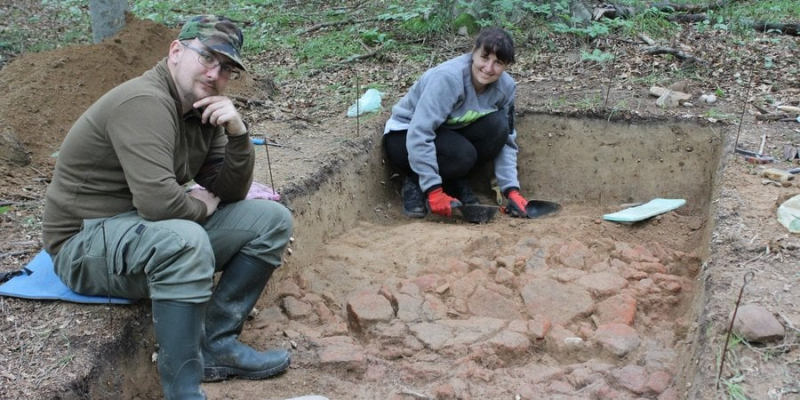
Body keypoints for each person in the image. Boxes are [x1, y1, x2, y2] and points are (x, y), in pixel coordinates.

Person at [42, 15, 292, 400]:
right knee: (186, 238)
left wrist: (238, 134)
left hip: (140, 231)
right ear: (176, 51)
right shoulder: (144, 102)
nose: (214, 73)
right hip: (84, 244)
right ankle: (183, 392)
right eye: (207, 57)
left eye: (226, 67)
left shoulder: (200, 110)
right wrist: (203, 210)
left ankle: (216, 345)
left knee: (271, 219)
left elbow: (231, 190)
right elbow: (160, 203)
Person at [383, 27, 532, 219]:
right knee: (462, 154)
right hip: (405, 135)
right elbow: (420, 132)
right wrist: (433, 190)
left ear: (507, 65)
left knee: (498, 127)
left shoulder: (506, 88)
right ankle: (416, 180)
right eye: (484, 58)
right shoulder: (448, 78)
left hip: (447, 134)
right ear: (473, 52)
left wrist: (511, 190)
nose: (488, 68)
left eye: (498, 63)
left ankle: (455, 181)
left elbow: (508, 141)